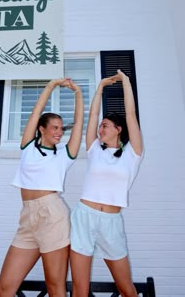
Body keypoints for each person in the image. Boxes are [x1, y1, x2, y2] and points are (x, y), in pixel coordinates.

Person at [0, 78, 83, 297]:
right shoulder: (28, 148)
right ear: (41, 129)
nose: (59, 132)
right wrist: (52, 85)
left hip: (53, 216)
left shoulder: (64, 155)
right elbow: (35, 113)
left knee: (55, 287)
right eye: (54, 127)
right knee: (4, 288)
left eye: (61, 129)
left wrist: (78, 94)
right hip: (27, 217)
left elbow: (79, 124)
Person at [70, 69, 143, 297]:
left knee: (127, 289)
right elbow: (92, 117)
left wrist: (126, 83)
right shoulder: (93, 150)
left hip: (111, 222)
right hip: (84, 217)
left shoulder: (133, 154)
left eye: (106, 125)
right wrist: (100, 87)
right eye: (100, 125)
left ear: (119, 130)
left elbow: (131, 115)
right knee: (80, 290)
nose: (100, 128)